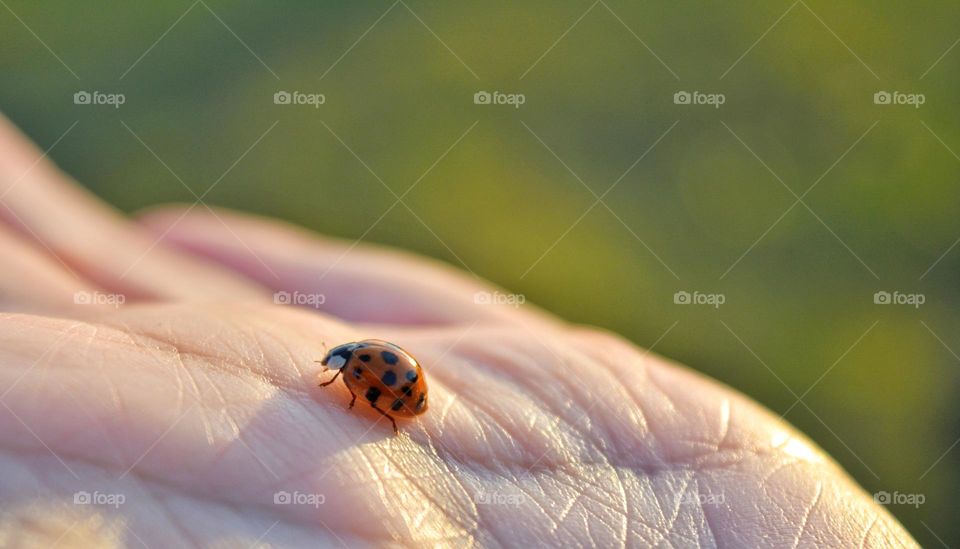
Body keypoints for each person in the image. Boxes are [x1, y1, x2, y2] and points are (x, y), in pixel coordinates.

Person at [0, 114, 916, 547]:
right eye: (352, 376)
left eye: (348, 375)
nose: (345, 379)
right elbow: (366, 379)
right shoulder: (364, 370)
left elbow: (362, 380)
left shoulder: (360, 372)